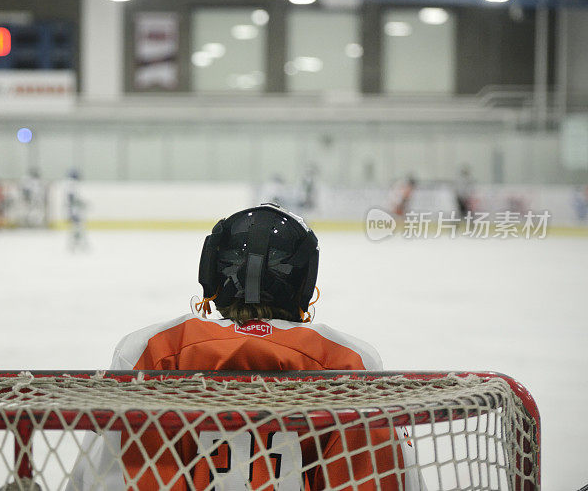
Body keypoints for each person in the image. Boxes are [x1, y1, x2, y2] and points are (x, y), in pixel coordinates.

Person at [69, 203, 424, 490]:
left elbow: (102, 479)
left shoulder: (153, 350)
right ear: (304, 283)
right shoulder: (349, 361)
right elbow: (385, 478)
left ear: (212, 274)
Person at [63, 168, 87, 251]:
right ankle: (76, 244)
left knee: (75, 227)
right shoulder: (72, 184)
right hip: (74, 210)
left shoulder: (68, 184)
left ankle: (75, 244)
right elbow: (71, 198)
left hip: (72, 209)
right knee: (77, 227)